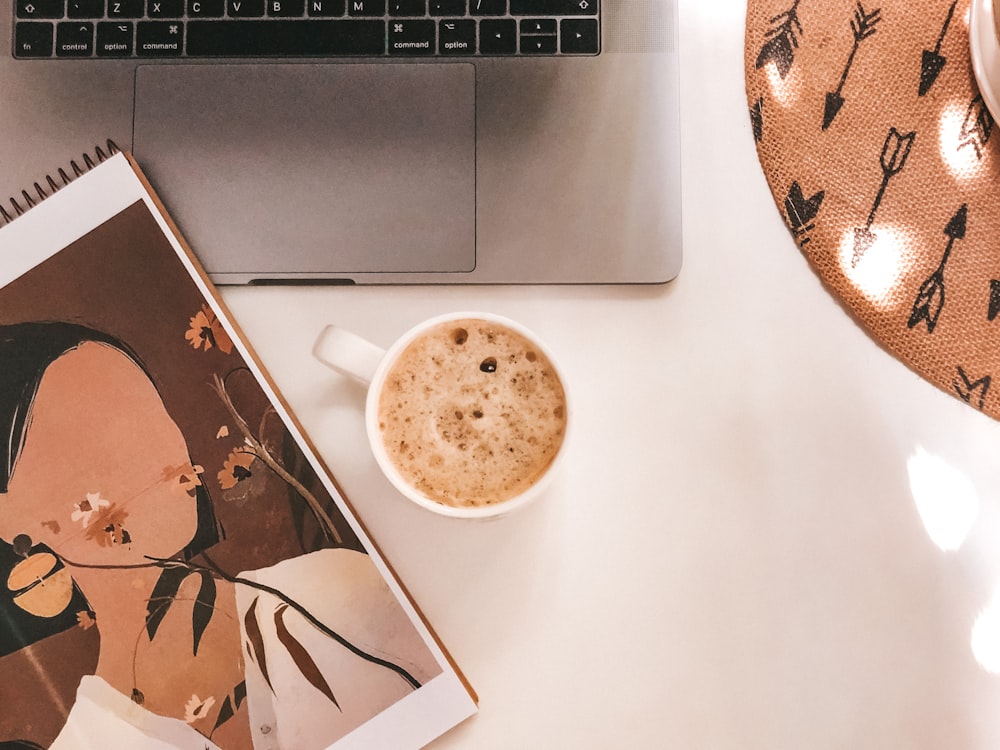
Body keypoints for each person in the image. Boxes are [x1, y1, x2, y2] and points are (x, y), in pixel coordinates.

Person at [0, 322, 439, 749]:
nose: (155, 450)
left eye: (149, 413)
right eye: (97, 443)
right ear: (9, 518)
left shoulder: (338, 593)